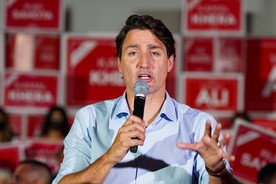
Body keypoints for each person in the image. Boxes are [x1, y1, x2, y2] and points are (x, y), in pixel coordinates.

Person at [53, 14, 240, 183]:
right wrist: (110, 156)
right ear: (119, 64)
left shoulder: (198, 125)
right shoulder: (90, 119)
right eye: (133, 53)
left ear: (170, 63)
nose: (144, 63)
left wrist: (216, 171)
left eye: (155, 53)